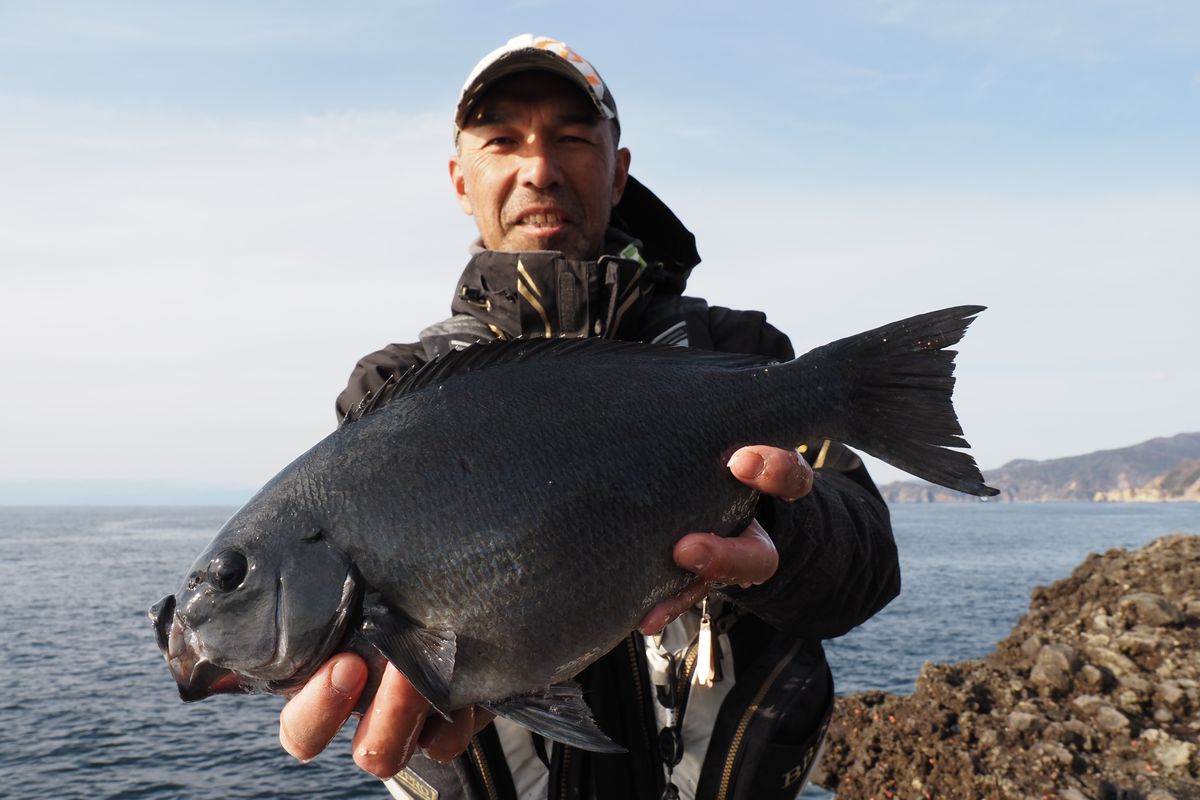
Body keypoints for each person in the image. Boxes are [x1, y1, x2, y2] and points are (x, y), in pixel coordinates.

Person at [278, 34, 899, 800]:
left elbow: (868, 568)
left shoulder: (738, 353)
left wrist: (780, 532)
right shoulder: (393, 390)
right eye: (502, 140)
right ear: (459, 180)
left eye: (572, 137)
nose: (538, 167)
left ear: (620, 170)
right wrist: (343, 677)